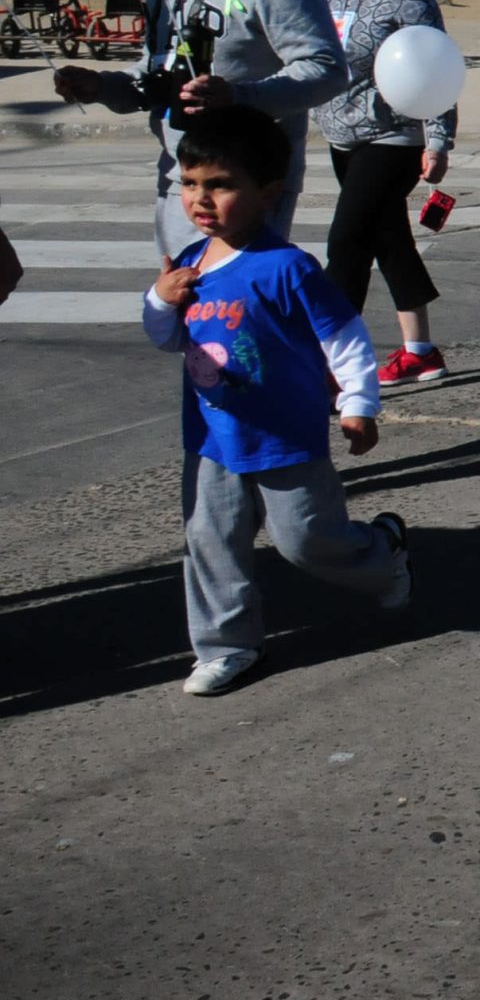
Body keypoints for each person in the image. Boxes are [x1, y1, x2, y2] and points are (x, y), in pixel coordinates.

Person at [141, 105, 411, 697]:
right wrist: (161, 300)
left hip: (285, 437)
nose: (200, 199)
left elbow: (343, 337)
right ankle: (227, 646)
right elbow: (166, 339)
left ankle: (382, 551)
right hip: (211, 439)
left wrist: (359, 405)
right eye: (189, 184)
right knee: (210, 543)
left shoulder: (286, 267)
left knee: (308, 542)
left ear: (268, 194)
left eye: (220, 185)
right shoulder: (188, 265)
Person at [53, 0, 348, 257]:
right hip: (179, 175)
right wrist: (101, 87)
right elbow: (158, 71)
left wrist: (239, 97)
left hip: (245, 185)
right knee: (179, 312)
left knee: (232, 315)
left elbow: (327, 68)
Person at [312, 0, 458, 385]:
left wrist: (438, 138)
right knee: (388, 238)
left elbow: (433, 57)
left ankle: (331, 366)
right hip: (341, 134)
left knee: (346, 242)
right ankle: (420, 350)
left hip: (392, 136)